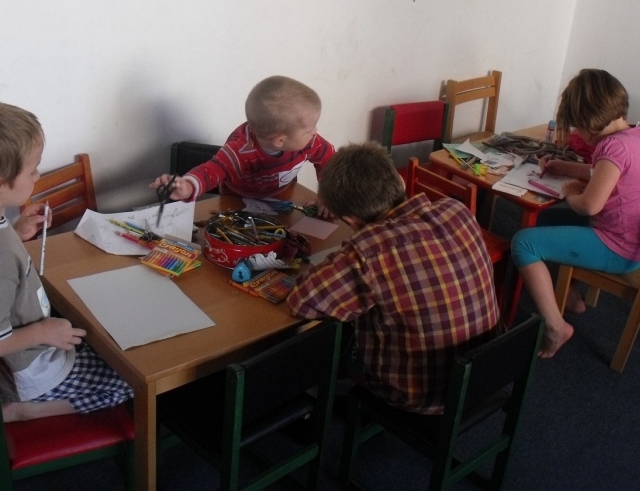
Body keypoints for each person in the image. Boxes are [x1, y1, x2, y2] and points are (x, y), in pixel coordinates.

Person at [287, 142, 500, 415]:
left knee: (325, 330)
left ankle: (313, 407)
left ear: (350, 221)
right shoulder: (456, 210)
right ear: (399, 180)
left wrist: (346, 256)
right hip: (486, 372)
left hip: (420, 396)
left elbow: (301, 302)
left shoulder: (368, 250)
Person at [0, 102, 133, 422]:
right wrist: (43, 332)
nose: (38, 175)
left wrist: (17, 232)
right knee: (130, 383)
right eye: (32, 170)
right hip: (34, 371)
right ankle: (20, 411)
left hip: (36, 349)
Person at [512, 69, 640, 359]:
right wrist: (563, 166)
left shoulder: (612, 147)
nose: (576, 134)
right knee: (547, 220)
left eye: (577, 127)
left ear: (588, 121)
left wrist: (570, 192)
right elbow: (603, 173)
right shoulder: (633, 135)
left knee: (523, 242)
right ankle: (571, 296)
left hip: (617, 248)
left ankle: (556, 327)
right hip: (630, 239)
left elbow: (589, 206)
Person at [150, 75, 335, 215]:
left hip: (282, 198)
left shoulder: (311, 142)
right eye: (309, 130)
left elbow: (330, 164)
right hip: (236, 203)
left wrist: (326, 197)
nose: (315, 131)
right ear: (280, 140)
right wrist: (188, 186)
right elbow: (210, 171)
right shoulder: (239, 151)